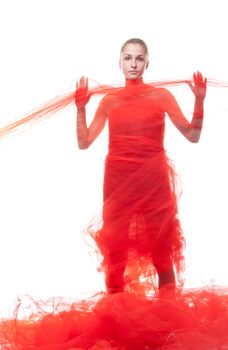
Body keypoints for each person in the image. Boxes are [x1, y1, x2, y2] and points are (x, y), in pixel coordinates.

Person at [75, 38, 207, 296]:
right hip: (117, 183)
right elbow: (84, 142)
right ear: (119, 63)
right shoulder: (110, 101)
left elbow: (193, 135)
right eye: (128, 58)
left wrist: (199, 100)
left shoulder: (161, 96)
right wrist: (81, 110)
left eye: (139, 58)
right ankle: (116, 323)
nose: (133, 64)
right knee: (116, 257)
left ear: (147, 63)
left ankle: (168, 321)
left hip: (153, 182)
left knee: (162, 254)